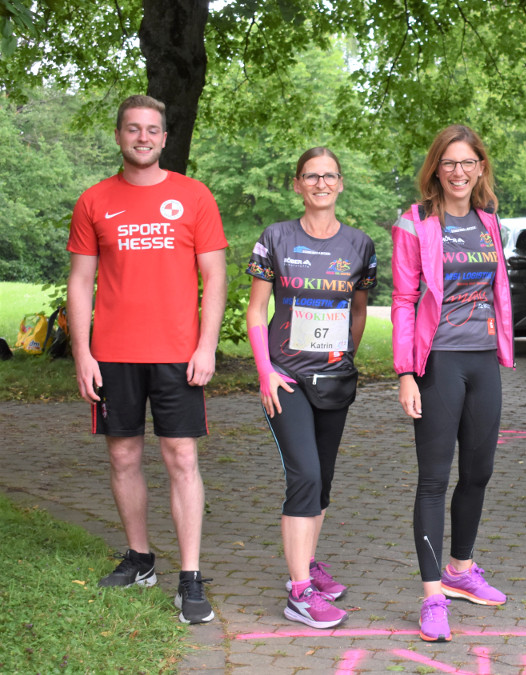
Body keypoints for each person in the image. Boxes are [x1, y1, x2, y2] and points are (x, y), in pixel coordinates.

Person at [67, 94, 226, 624]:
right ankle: (140, 559)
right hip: (113, 355)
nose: (142, 137)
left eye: (152, 130)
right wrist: (83, 352)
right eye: (132, 129)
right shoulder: (94, 201)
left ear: (163, 137)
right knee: (123, 457)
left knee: (181, 457)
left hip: (179, 356)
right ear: (119, 136)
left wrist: (206, 346)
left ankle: (190, 577)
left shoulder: (193, 196)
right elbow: (81, 281)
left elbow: (215, 277)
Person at [392, 125, 514, 642]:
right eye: (449, 163)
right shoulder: (415, 222)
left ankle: (460, 571)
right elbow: (402, 299)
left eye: (468, 162)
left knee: (480, 472)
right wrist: (405, 373)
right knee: (434, 478)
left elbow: (499, 289)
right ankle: (431, 596)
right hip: (439, 361)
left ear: (480, 167)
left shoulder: (490, 222)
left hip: (483, 359)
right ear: (436, 169)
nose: (459, 172)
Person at [246, 147, 377, 629]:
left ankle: (308, 562)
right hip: (286, 378)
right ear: (297, 184)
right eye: (310, 176)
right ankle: (300, 592)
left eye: (329, 176)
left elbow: (359, 310)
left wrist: (347, 357)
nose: (321, 183)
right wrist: (265, 371)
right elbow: (256, 309)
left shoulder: (360, 245)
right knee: (303, 476)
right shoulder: (276, 238)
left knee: (321, 479)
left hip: (334, 378)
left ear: (341, 183)